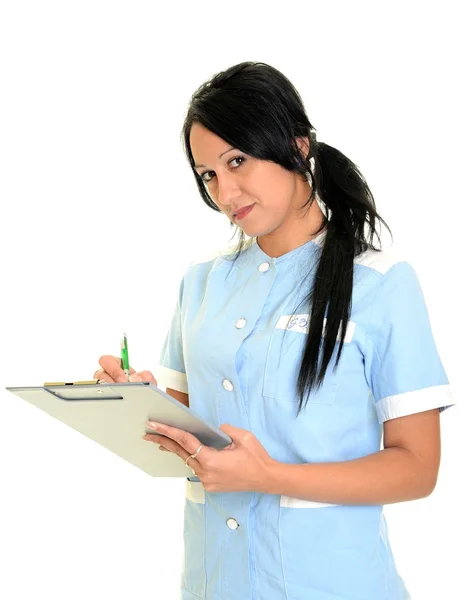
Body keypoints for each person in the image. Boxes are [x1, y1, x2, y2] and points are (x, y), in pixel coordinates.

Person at [94, 62, 456, 600]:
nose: (224, 190)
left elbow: (416, 468)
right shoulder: (202, 282)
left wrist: (268, 476)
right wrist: (131, 400)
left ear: (297, 146)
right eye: (209, 174)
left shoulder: (380, 284)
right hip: (216, 581)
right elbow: (185, 434)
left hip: (332, 583)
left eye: (237, 160)